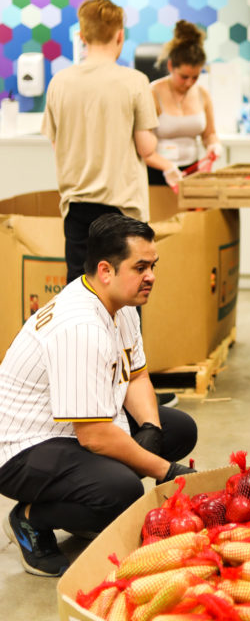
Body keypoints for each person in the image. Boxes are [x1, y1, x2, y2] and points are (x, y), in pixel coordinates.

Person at [0, 213, 197, 577]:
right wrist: (166, 470)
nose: (151, 276)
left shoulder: (121, 304)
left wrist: (151, 428)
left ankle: (81, 503)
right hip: (23, 447)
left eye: (153, 265)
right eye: (140, 267)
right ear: (106, 270)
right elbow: (92, 435)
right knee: (121, 489)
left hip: (73, 426)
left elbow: (135, 376)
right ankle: (30, 519)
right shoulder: (81, 327)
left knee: (179, 429)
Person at [42, 0, 181, 285]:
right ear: (120, 35)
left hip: (77, 208)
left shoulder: (59, 82)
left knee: (80, 293)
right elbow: (146, 148)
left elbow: (58, 146)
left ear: (81, 36)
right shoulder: (134, 81)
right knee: (127, 295)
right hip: (123, 209)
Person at [148, 20, 222, 186]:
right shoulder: (152, 93)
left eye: (195, 77)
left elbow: (209, 133)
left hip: (192, 171)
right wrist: (167, 167)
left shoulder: (203, 94)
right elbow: (144, 146)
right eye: (184, 77)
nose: (189, 83)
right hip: (159, 173)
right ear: (170, 66)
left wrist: (213, 145)